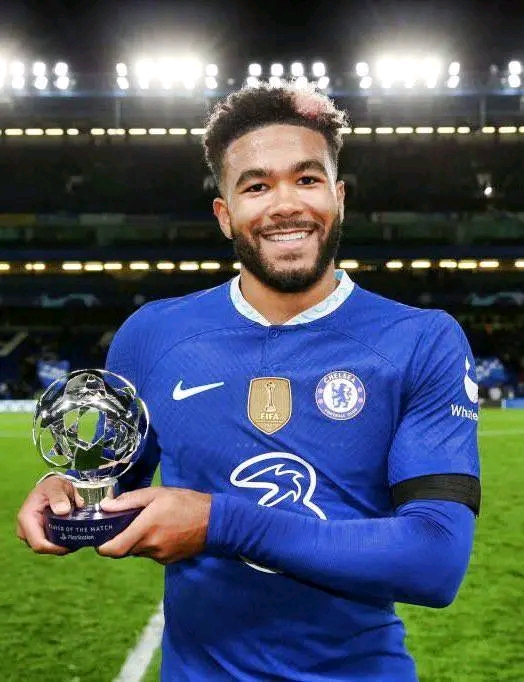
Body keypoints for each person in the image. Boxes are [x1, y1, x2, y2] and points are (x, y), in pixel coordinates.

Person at [17, 83, 481, 682]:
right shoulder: (153, 335)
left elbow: (435, 561)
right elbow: (108, 488)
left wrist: (219, 523)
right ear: (224, 214)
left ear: (338, 197)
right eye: (256, 186)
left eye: (307, 179)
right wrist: (65, 493)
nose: (285, 204)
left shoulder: (422, 340)